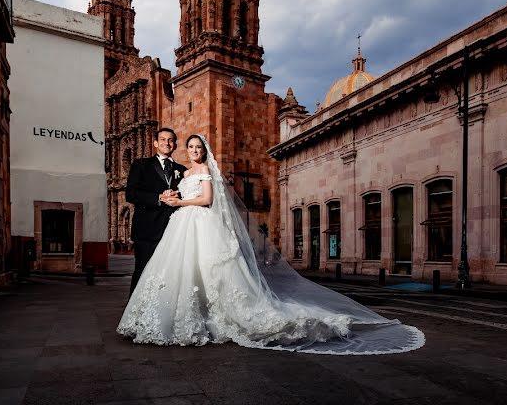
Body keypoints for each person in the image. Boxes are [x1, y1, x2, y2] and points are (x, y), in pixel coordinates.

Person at [118, 134, 425, 355]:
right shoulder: (180, 171)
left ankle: (212, 315)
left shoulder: (203, 172)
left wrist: (181, 201)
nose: (193, 150)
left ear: (203, 150)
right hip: (177, 225)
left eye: (197, 147)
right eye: (190, 147)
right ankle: (159, 314)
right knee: (176, 272)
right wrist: (169, 199)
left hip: (195, 220)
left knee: (208, 271)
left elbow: (208, 199)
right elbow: (150, 193)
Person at [125, 128, 187, 293]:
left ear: (175, 145)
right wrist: (158, 198)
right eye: (162, 139)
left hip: (173, 231)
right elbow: (131, 194)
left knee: (169, 273)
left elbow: (188, 194)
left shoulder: (182, 170)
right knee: (143, 270)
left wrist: (177, 194)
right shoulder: (140, 165)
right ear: (155, 143)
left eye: (170, 140)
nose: (167, 143)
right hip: (147, 229)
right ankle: (135, 313)